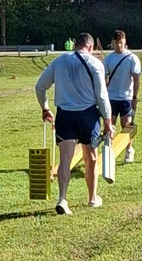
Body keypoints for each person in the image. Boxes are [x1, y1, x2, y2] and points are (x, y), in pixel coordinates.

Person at [35, 32, 113, 214]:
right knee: (90, 157)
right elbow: (101, 95)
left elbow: (40, 86)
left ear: (75, 44)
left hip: (65, 115)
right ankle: (93, 198)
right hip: (88, 115)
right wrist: (108, 120)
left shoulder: (59, 61)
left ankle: (62, 199)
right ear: (91, 47)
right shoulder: (95, 64)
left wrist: (45, 108)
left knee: (65, 160)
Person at [102, 30, 141, 164]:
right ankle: (109, 151)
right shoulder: (108, 59)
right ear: (112, 43)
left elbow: (136, 79)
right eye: (116, 43)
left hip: (126, 97)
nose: (119, 46)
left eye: (121, 43)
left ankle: (129, 150)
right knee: (109, 125)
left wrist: (135, 96)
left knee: (126, 125)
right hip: (111, 97)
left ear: (125, 42)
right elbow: (104, 79)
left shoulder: (132, 58)